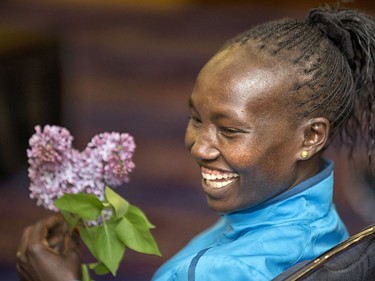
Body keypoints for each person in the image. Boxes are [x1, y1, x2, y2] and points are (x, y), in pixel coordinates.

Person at [16, 4, 375, 281]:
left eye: (230, 131)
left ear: (311, 137)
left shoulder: (219, 271)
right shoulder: (319, 225)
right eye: (196, 119)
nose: (199, 147)